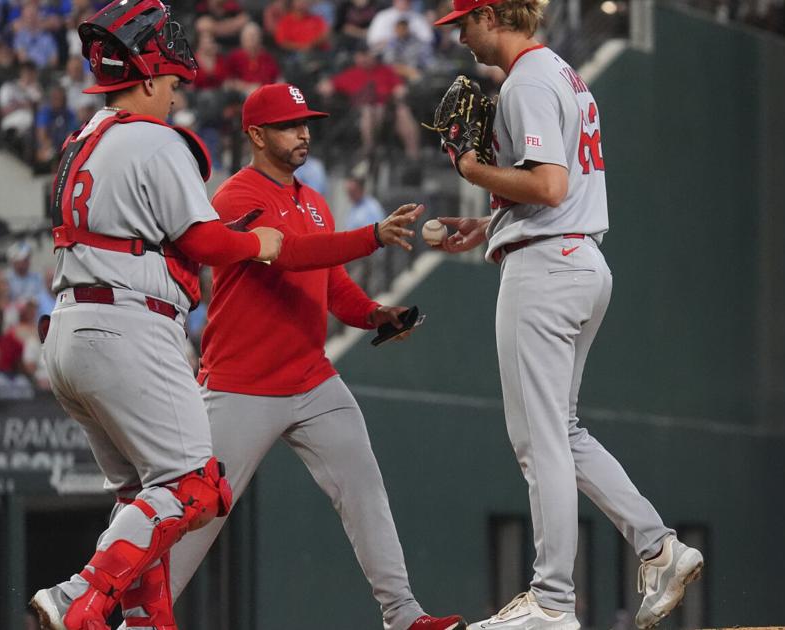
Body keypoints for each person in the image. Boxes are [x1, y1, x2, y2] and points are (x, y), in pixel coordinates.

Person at [112, 82, 464, 630]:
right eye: (288, 126)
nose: (303, 134)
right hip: (240, 385)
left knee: (364, 487)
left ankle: (403, 614)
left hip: (312, 380)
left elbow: (332, 283)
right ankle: (133, 622)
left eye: (305, 124)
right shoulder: (235, 197)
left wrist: (375, 314)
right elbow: (292, 256)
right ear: (256, 135)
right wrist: (372, 235)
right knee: (197, 516)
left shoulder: (314, 201)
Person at [430, 2, 703, 629]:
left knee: (540, 441)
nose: (460, 34)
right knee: (564, 431)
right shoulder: (559, 70)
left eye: (465, 21)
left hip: (546, 270)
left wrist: (472, 169)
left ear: (493, 14)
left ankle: (552, 602)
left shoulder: (526, 81)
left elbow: (550, 185)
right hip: (576, 260)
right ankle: (659, 549)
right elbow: (558, 190)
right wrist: (490, 223)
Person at [27, 2, 284, 629]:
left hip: (71, 329)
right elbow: (204, 242)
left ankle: (145, 624)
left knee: (147, 501)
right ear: (145, 77)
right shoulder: (156, 138)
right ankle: (76, 597)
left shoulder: (81, 139)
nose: (173, 95)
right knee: (194, 484)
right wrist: (257, 243)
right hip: (127, 326)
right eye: (169, 81)